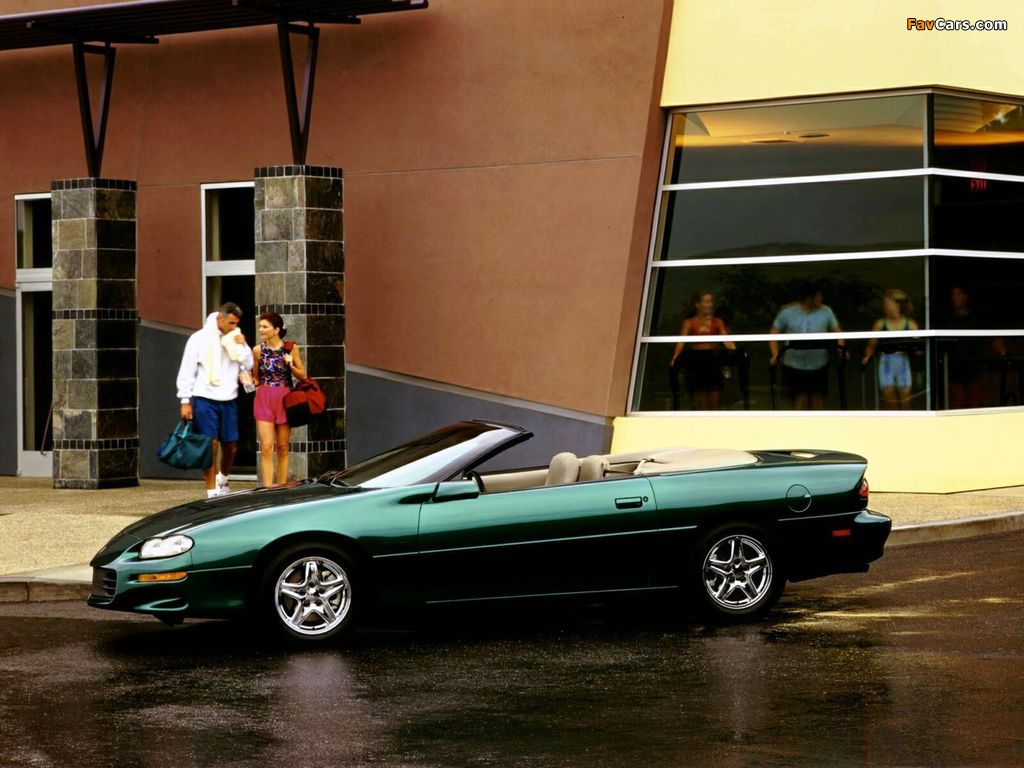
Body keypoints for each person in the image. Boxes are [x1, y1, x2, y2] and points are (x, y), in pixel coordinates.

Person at [176, 302, 250, 497]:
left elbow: (248, 364)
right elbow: (187, 369)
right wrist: (185, 400)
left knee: (231, 446)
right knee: (211, 445)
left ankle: (223, 480)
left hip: (229, 398)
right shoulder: (199, 338)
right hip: (205, 397)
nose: (234, 327)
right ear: (220, 319)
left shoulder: (235, 337)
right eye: (231, 323)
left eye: (236, 323)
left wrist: (243, 345)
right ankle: (211, 490)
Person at [769, 283, 845, 410]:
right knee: (799, 399)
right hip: (794, 364)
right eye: (818, 296)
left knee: (817, 398)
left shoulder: (826, 311)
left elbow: (838, 332)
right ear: (809, 298)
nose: (821, 299)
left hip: (819, 363)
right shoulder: (788, 312)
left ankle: (816, 422)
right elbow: (773, 332)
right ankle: (799, 423)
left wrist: (840, 349)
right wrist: (775, 354)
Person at [252, 312, 306, 486]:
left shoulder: (290, 348)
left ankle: (282, 488)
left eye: (265, 326)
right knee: (267, 447)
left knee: (282, 447)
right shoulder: (258, 350)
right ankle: (268, 489)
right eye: (260, 326)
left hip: (284, 398)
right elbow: (256, 377)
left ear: (276, 329)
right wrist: (249, 381)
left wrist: (290, 364)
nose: (261, 329)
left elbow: (303, 375)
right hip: (264, 398)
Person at [668, 291, 736, 410]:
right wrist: (675, 357)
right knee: (700, 402)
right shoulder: (689, 322)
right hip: (697, 362)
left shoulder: (717, 321)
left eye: (711, 302)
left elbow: (726, 339)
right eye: (707, 302)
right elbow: (681, 341)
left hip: (713, 362)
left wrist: (734, 352)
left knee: (714, 401)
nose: (710, 305)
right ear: (697, 304)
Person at [862, 289, 920, 409]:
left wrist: (917, 345)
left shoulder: (910, 324)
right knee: (889, 400)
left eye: (888, 303)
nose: (886, 307)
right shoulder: (880, 324)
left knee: (905, 400)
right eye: (886, 304)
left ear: (898, 305)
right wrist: (866, 359)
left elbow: (920, 349)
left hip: (903, 362)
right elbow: (871, 346)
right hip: (886, 362)